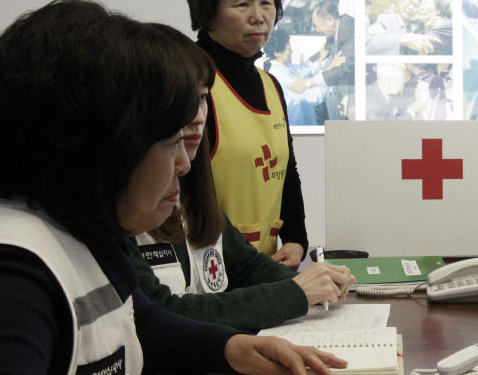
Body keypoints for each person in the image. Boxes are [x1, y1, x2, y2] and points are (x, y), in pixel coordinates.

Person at [0, 0, 391, 375]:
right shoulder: (10, 268)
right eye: (172, 143)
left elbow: (144, 325)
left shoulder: (82, 227)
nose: (185, 166)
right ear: (102, 148)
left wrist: (234, 348)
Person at [129, 68, 355, 332]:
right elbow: (163, 315)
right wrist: (296, 292)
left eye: (202, 98)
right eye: (182, 98)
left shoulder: (194, 196)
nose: (198, 116)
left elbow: (247, 266)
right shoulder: (126, 216)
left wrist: (315, 281)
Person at [186, 0, 307, 267]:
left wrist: (297, 240)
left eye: (266, 2)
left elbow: (286, 170)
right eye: (242, 3)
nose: (259, 16)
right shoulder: (190, 83)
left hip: (265, 270)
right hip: (208, 271)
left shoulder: (270, 84)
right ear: (208, 14)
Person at [304, 0, 355, 123]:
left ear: (330, 20)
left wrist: (310, 82)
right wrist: (303, 67)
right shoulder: (335, 33)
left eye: (316, 25)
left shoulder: (353, 33)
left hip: (352, 97)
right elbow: (323, 52)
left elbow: (344, 67)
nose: (316, 30)